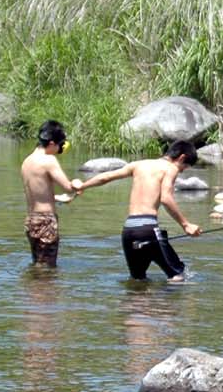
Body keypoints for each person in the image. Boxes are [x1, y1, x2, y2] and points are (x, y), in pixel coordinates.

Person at [73, 140, 205, 281]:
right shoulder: (170, 168)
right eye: (184, 168)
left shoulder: (138, 165)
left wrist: (83, 186)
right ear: (182, 157)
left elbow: (106, 177)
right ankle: (165, 303)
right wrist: (186, 225)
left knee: (137, 280)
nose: (181, 171)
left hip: (128, 231)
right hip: (148, 229)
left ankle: (138, 303)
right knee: (178, 275)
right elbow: (166, 198)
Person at [19, 120, 81, 266]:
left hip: (31, 221)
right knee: (47, 268)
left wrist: (57, 198)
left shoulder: (26, 162)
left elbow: (34, 192)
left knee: (38, 263)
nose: (60, 150)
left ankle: (32, 289)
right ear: (52, 143)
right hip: (46, 221)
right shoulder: (48, 160)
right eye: (60, 145)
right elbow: (68, 186)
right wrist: (77, 183)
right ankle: (45, 289)